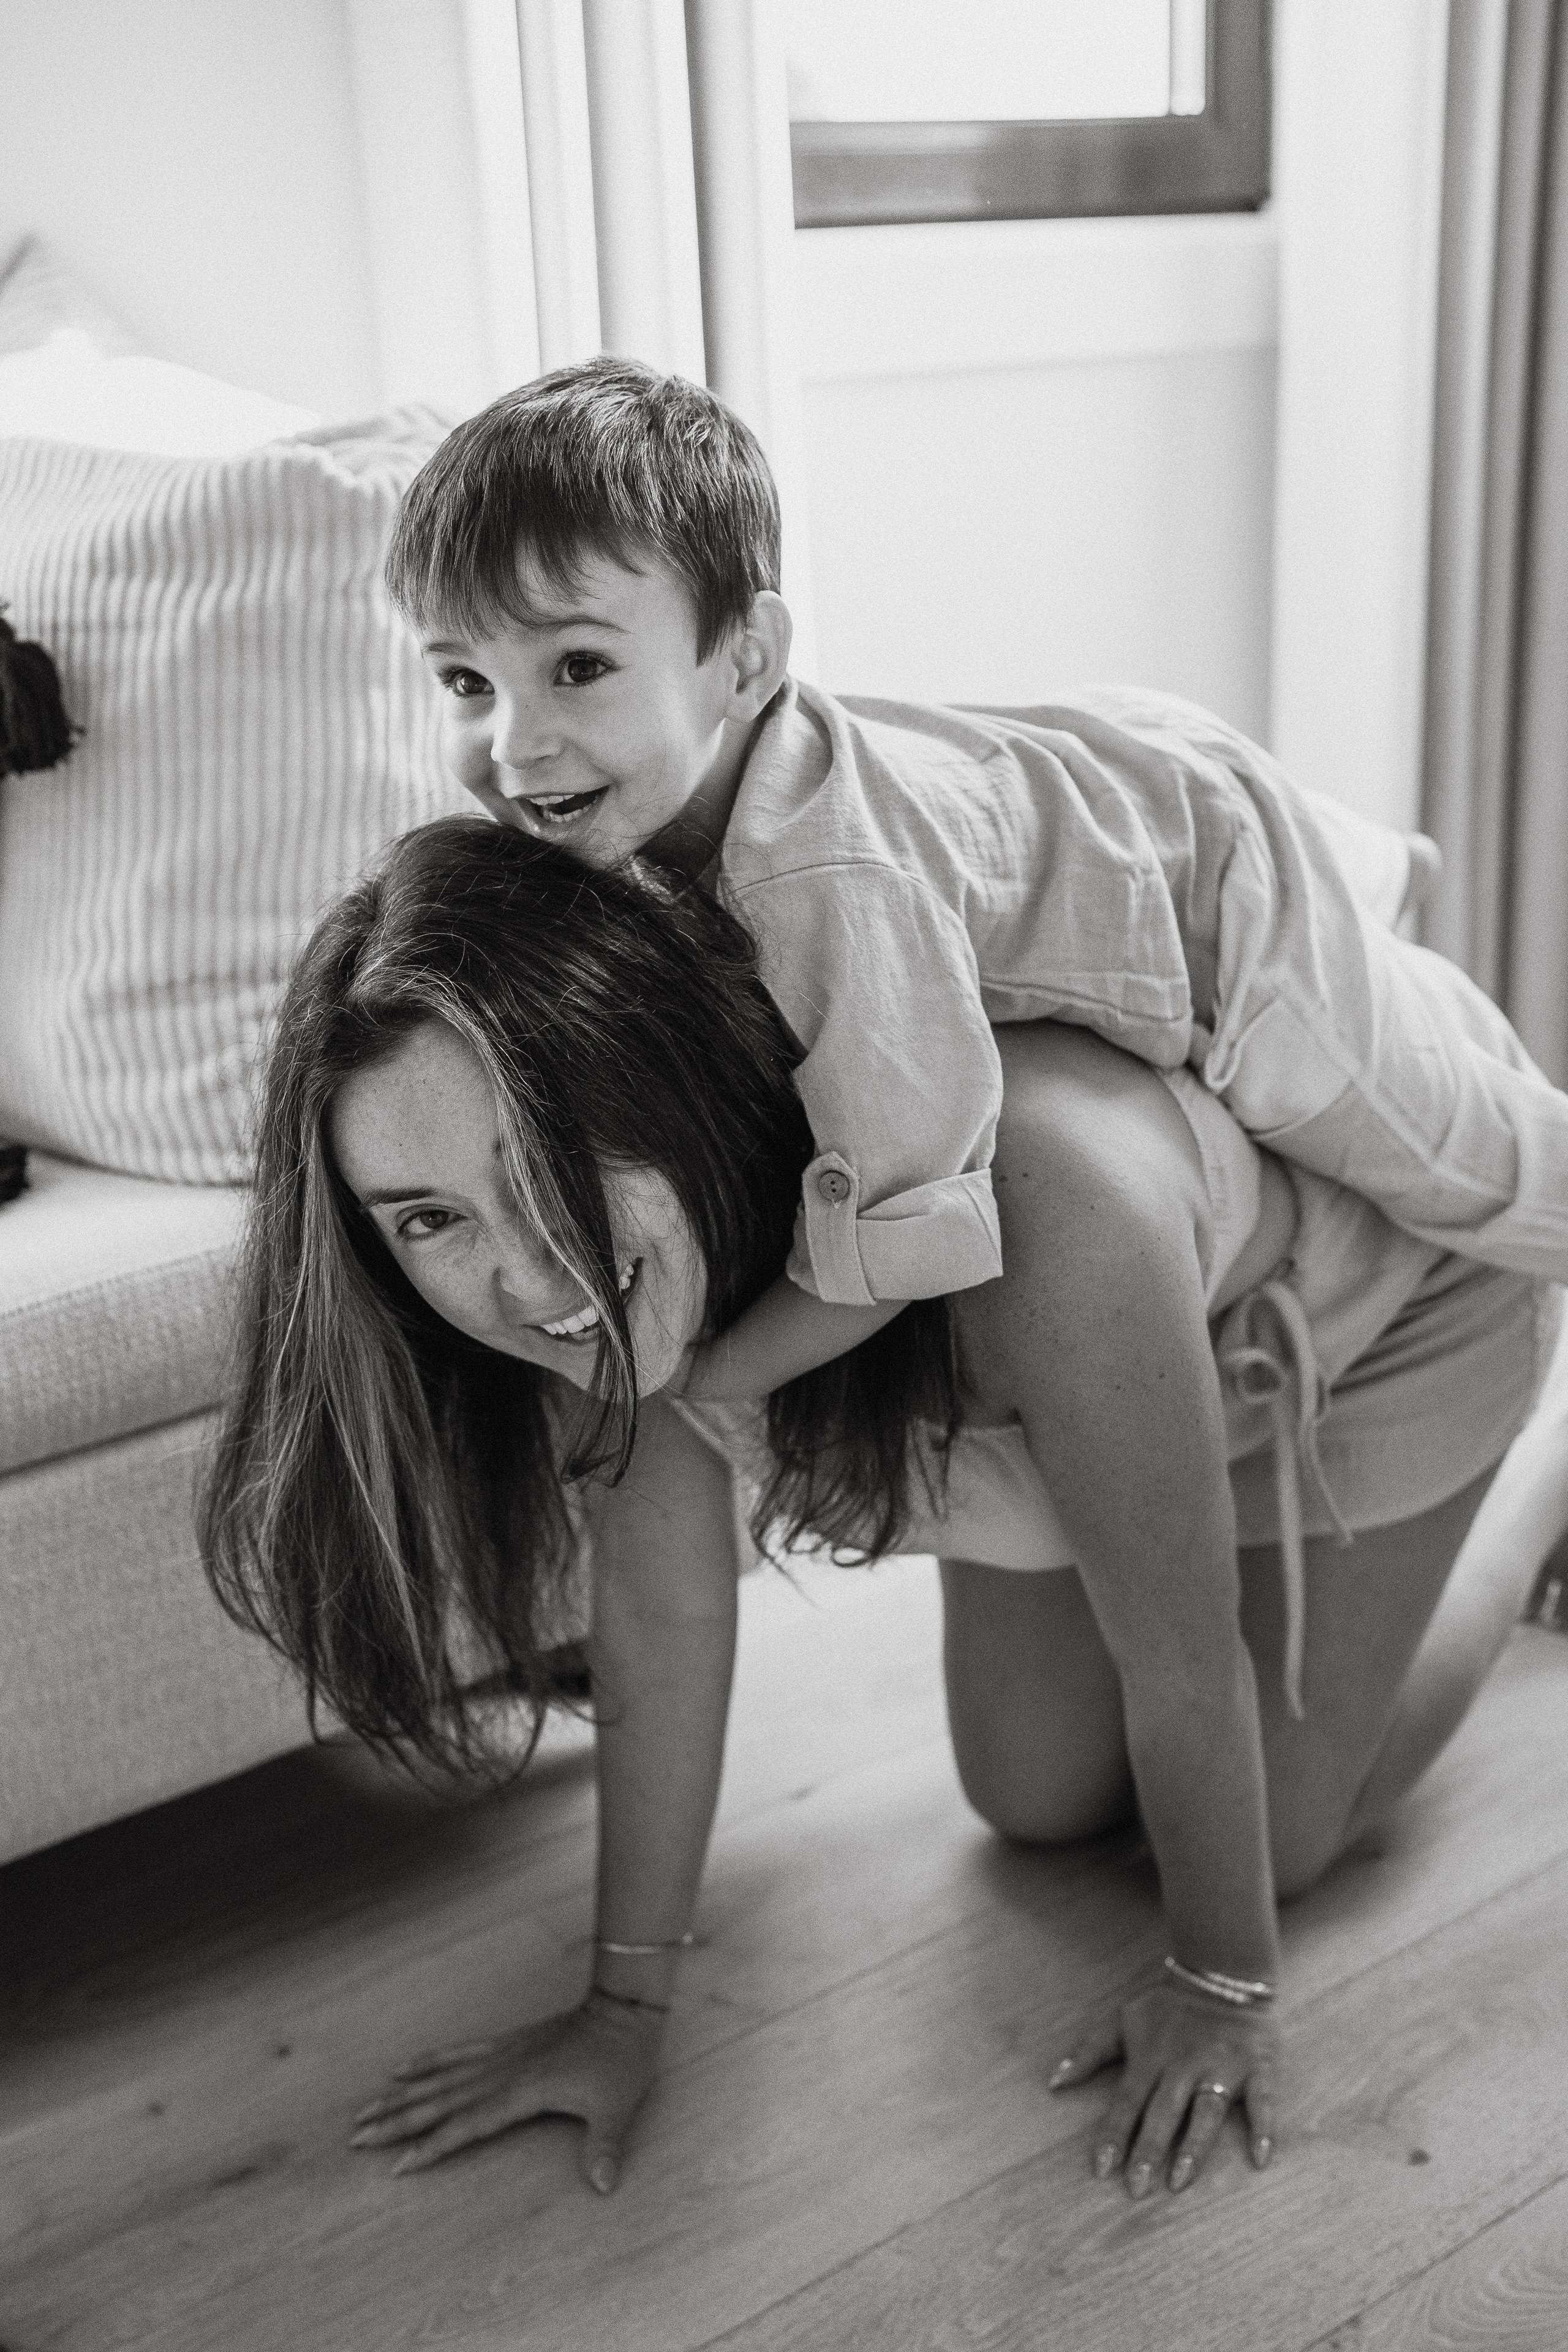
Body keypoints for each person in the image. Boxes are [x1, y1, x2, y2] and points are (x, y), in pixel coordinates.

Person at [202, 816, 1567, 2203]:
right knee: (1032, 1801)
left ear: (660, 1086)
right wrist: (619, 2016)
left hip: (1381, 1305)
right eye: (428, 1220)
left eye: (541, 1161)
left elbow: (1179, 1646)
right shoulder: (609, 1288)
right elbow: (662, 1612)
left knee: (1262, 1850)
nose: (527, 1274)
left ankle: (1544, 1465)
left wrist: (1220, 1985)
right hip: (1094, 1383)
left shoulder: (1036, 1202)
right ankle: (1141, 1481)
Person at [381, 356, 1568, 1423]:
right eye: (466, 681)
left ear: (743, 664)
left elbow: (912, 1212)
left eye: (577, 668)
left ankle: (1350, 898)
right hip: (1121, 773)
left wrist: (724, 1371)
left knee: (1461, 1165)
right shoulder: (639, 801)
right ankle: (1365, 866)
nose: (514, 742)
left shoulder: (818, 883)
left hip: (1222, 909)